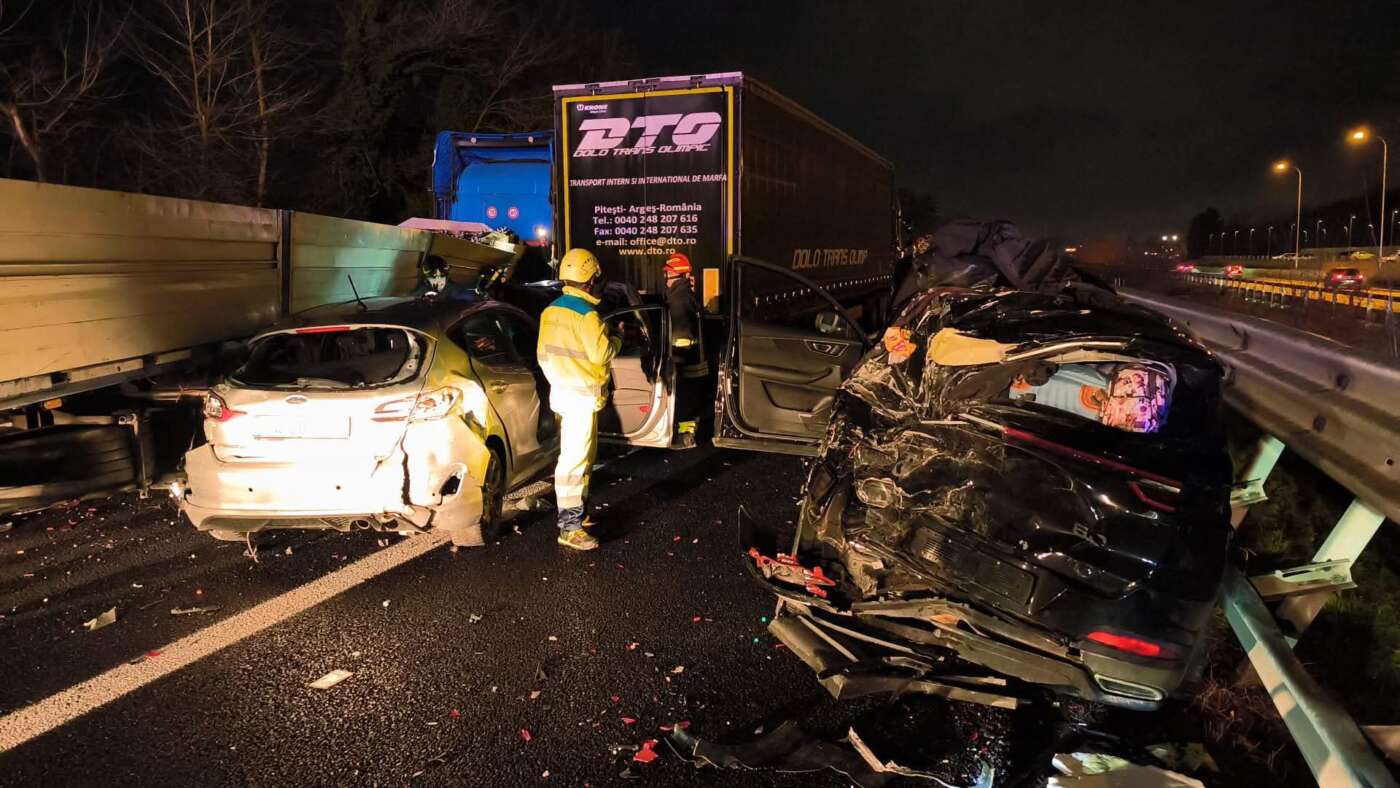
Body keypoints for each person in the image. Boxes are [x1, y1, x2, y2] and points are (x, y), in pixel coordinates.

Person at [536, 248, 621, 551]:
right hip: (581, 398)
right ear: (590, 280)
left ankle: (578, 515)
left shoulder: (550, 311)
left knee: (581, 459)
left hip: (563, 394)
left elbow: (543, 355)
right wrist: (618, 338)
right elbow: (602, 354)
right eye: (597, 278)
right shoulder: (587, 315)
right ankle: (569, 528)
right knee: (574, 462)